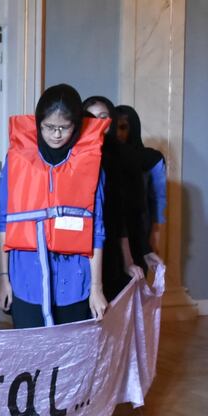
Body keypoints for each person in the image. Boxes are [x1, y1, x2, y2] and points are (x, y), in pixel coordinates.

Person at [0, 84, 108, 416]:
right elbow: (4, 222)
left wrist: (95, 288)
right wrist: (4, 277)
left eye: (64, 128)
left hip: (73, 283)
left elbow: (96, 231)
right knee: (27, 364)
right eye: (49, 127)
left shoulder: (92, 164)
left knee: (65, 365)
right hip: (27, 279)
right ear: (38, 124)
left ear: (77, 127)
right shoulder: (16, 162)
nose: (56, 135)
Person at [81, 97, 146, 301]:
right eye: (91, 117)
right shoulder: (74, 153)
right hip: (78, 241)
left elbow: (124, 214)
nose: (98, 123)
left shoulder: (122, 155)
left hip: (111, 240)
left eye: (104, 117)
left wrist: (129, 259)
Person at [114, 105, 167, 261]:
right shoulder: (103, 155)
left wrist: (155, 232)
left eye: (123, 127)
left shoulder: (151, 158)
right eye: (114, 127)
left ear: (133, 128)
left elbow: (158, 197)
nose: (118, 133)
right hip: (110, 228)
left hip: (139, 228)